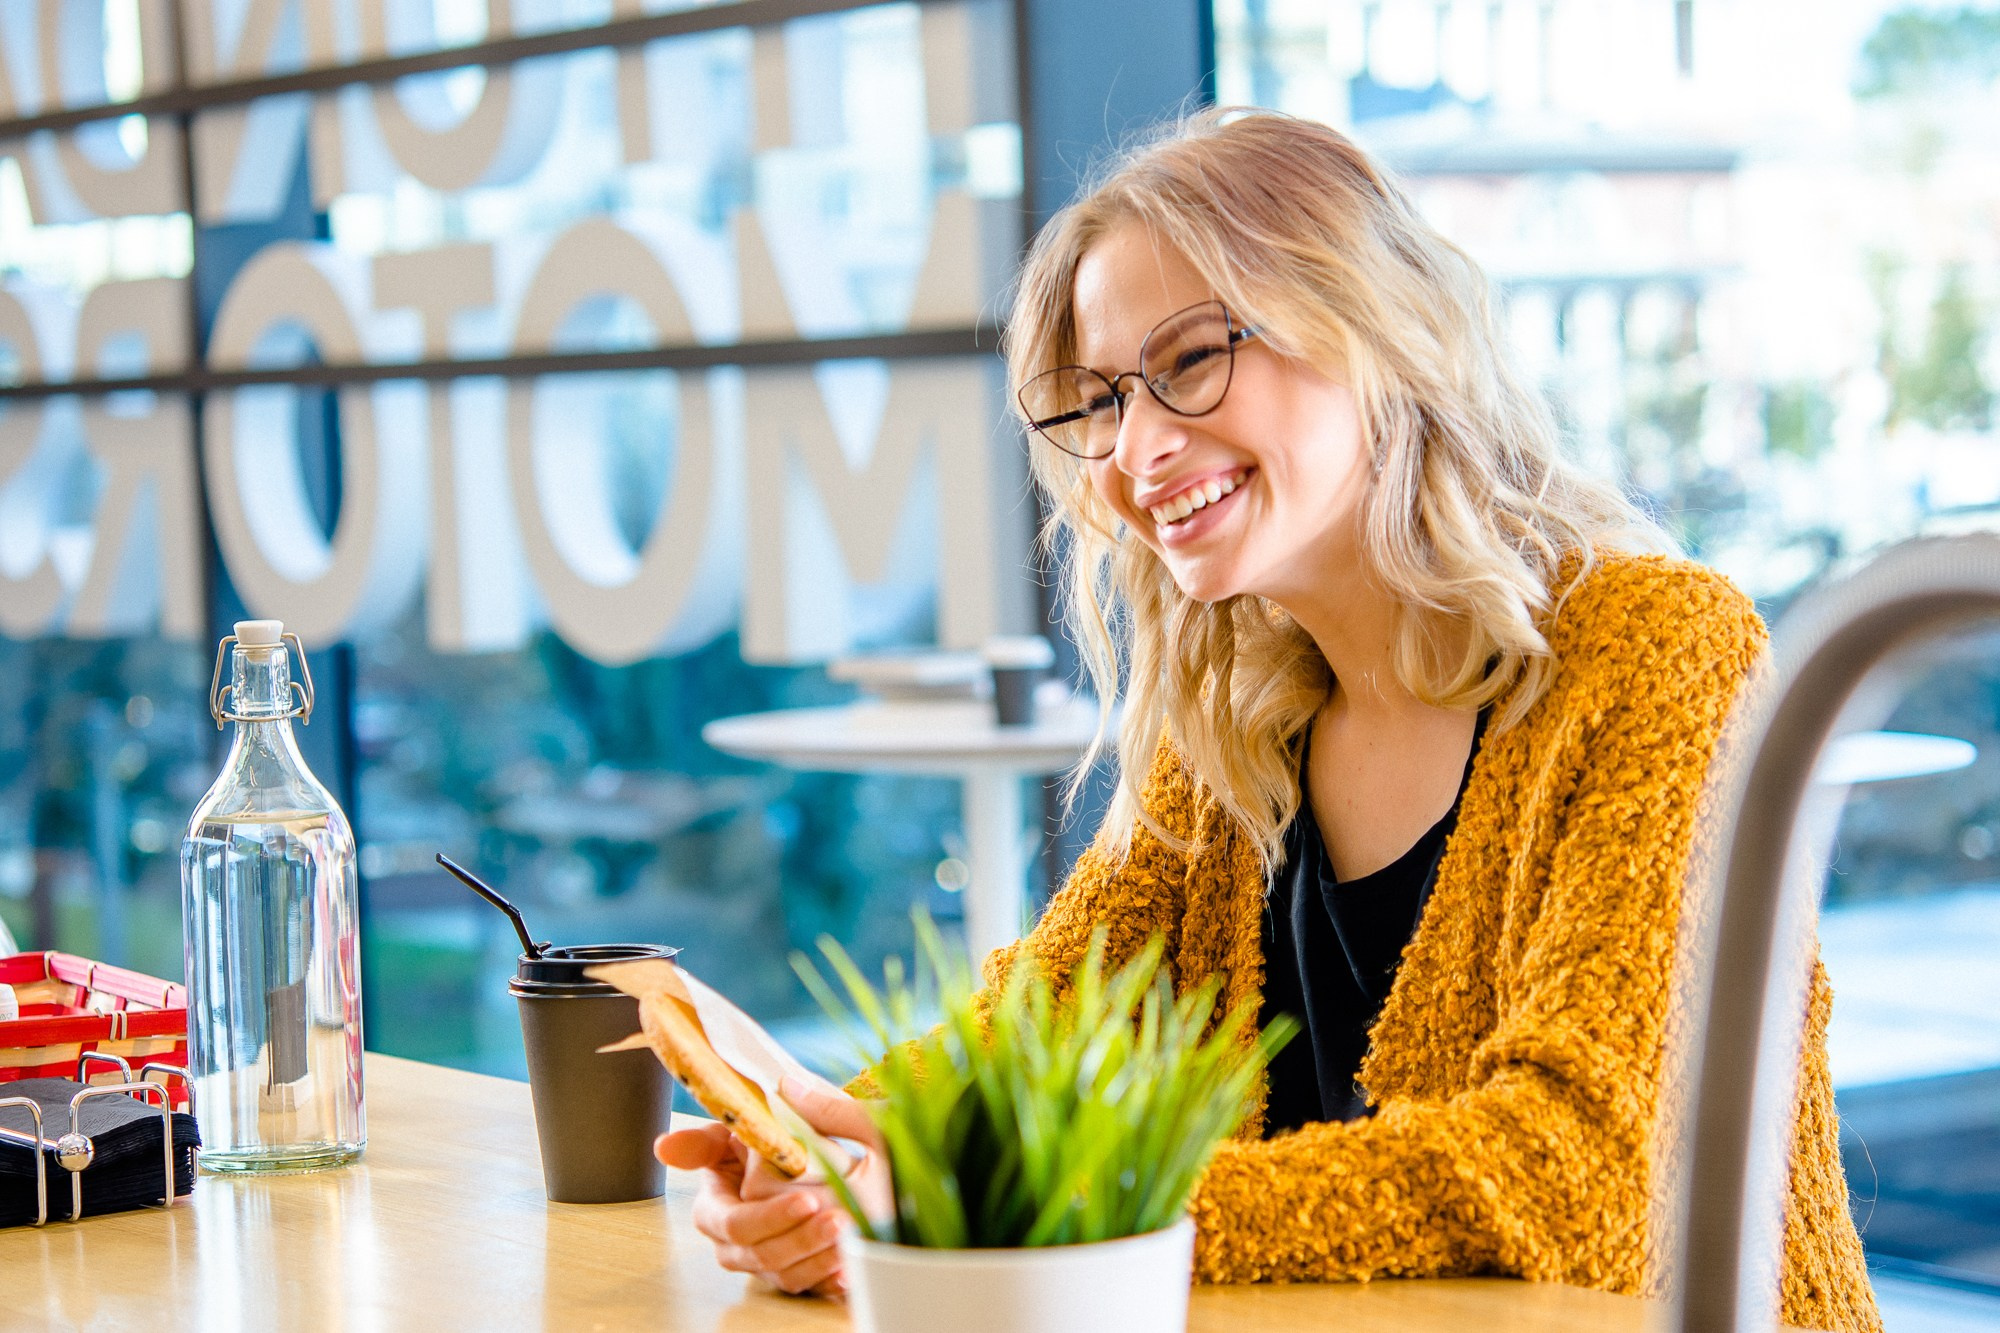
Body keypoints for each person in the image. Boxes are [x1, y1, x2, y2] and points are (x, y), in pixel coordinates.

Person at [657, 109, 1881, 1332]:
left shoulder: (1657, 649)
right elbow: (1024, 1044)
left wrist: (1005, 1206)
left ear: (1368, 324)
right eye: (1099, 402)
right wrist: (828, 1164)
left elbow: (1574, 1168)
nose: (1131, 448)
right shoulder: (1241, 735)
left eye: (1188, 360)